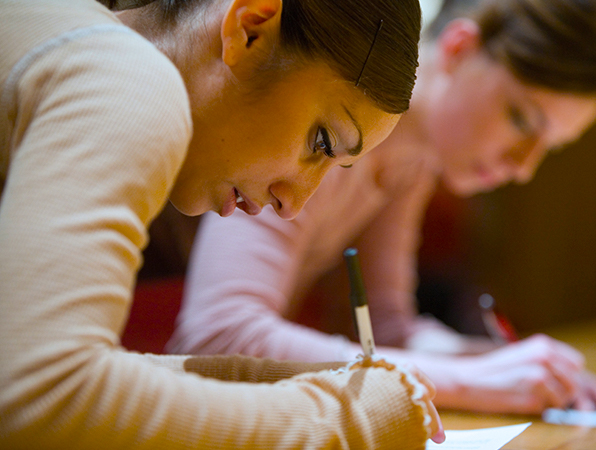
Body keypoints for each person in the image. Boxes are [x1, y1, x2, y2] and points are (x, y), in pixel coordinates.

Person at [0, 0, 447, 448]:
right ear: (249, 26)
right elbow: (43, 396)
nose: (294, 203)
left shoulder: (62, 34)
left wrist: (287, 382)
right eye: (322, 140)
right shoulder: (127, 81)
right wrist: (353, 419)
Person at [168, 0, 596, 415]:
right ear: (458, 49)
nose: (523, 168)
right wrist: (468, 382)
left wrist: (517, 367)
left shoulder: (410, 162)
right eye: (520, 118)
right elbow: (218, 332)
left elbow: (387, 327)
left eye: (549, 147)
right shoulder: (324, 133)